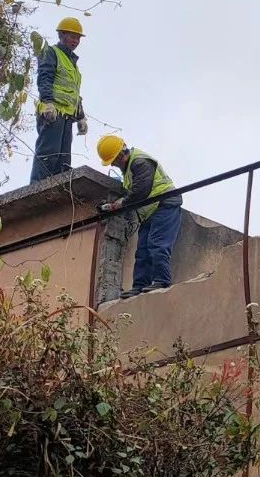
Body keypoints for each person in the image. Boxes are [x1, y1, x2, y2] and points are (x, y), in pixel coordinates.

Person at [96, 135, 183, 298]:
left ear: (121, 155)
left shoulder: (140, 162)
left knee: (158, 244)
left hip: (165, 204)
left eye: (114, 161)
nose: (114, 164)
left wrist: (119, 204)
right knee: (142, 250)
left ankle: (162, 280)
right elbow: (134, 189)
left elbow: (140, 191)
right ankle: (140, 285)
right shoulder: (129, 169)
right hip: (150, 211)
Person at [30, 17, 88, 183]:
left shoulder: (73, 64)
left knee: (63, 159)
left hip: (67, 116)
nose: (75, 41)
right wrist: (47, 103)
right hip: (52, 112)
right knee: (48, 154)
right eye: (72, 36)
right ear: (62, 35)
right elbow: (45, 78)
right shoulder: (52, 52)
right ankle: (37, 189)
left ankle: (58, 191)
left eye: (78, 38)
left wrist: (81, 116)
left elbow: (74, 93)